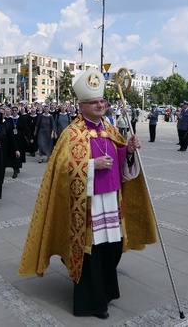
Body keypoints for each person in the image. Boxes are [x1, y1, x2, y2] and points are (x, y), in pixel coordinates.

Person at [18, 68, 156, 320]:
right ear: (81, 106)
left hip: (112, 201)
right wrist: (92, 165)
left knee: (111, 248)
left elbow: (120, 160)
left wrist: (130, 150)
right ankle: (92, 303)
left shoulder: (110, 129)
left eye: (102, 101)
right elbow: (60, 169)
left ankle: (106, 291)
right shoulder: (72, 133)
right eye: (95, 102)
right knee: (91, 252)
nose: (101, 105)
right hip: (87, 205)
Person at [5, 106, 32, 178]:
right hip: (11, 139)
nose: (14, 112)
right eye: (13, 110)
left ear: (17, 111)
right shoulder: (8, 119)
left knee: (18, 154)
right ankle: (14, 169)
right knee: (13, 154)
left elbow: (26, 129)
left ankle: (17, 167)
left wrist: (30, 138)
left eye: (15, 110)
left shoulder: (21, 119)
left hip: (20, 139)